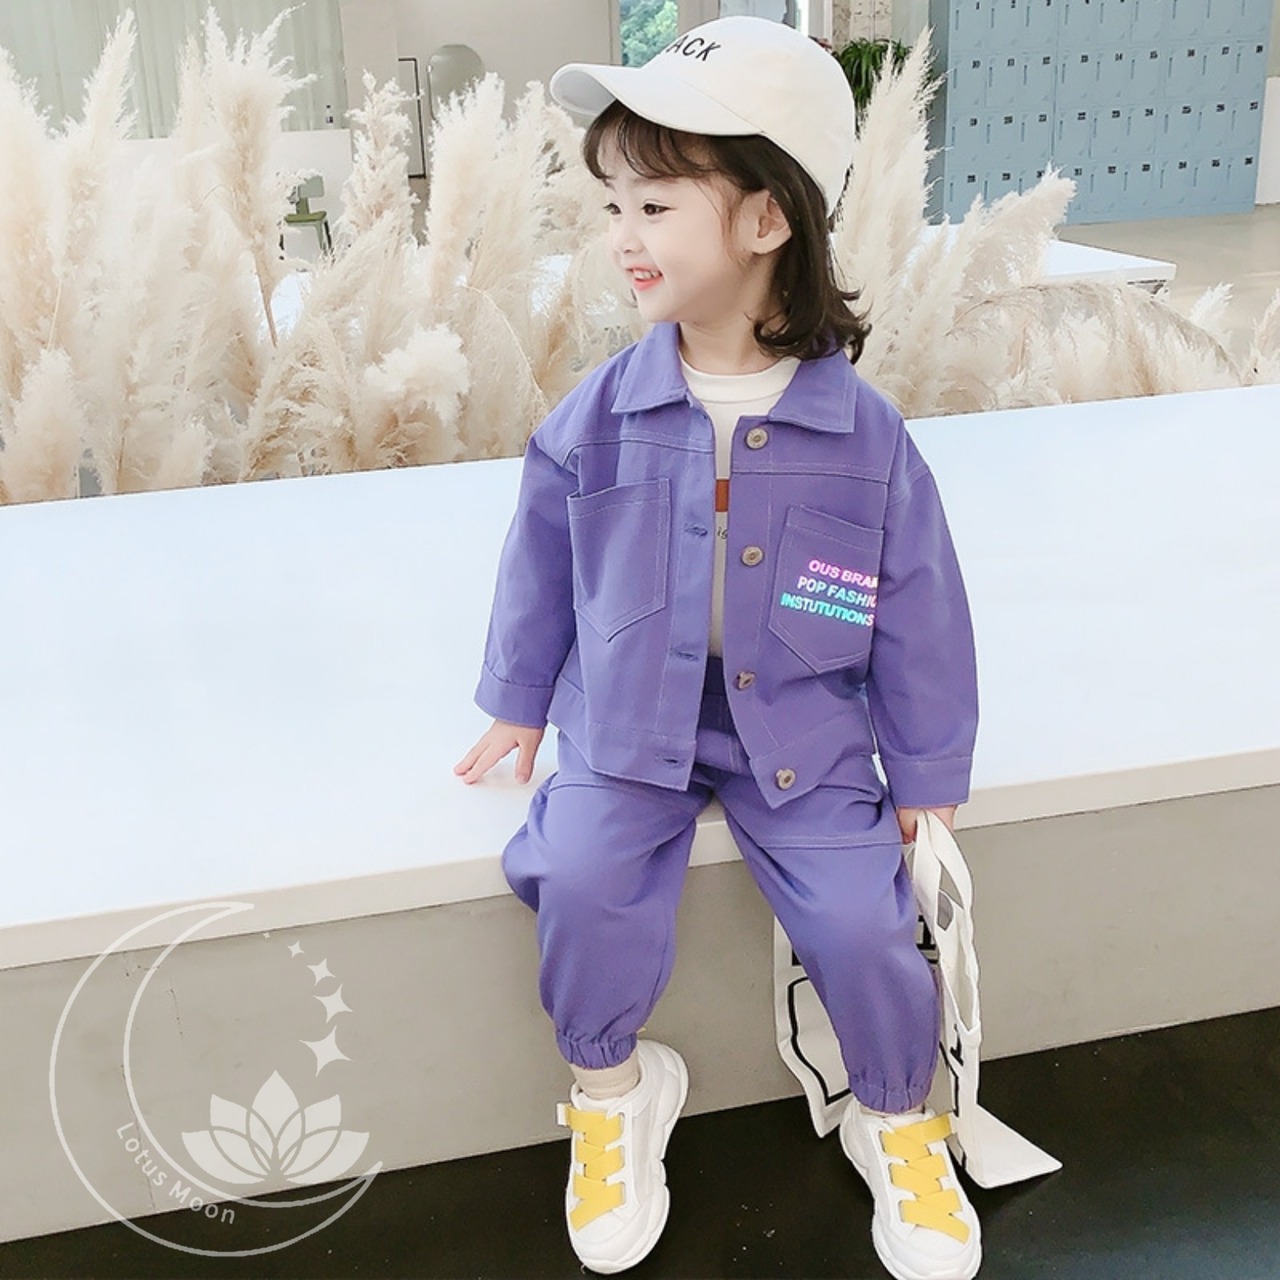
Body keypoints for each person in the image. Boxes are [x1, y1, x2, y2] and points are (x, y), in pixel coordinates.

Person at [453, 16, 981, 1280]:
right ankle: (611, 1086)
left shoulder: (863, 436)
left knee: (860, 919)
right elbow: (539, 560)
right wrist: (518, 700)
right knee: (579, 875)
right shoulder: (598, 414)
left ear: (764, 220)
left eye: (653, 205)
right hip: (628, 716)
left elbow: (917, 606)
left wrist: (924, 770)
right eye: (612, 204)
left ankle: (898, 1115)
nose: (620, 235)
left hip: (800, 727)